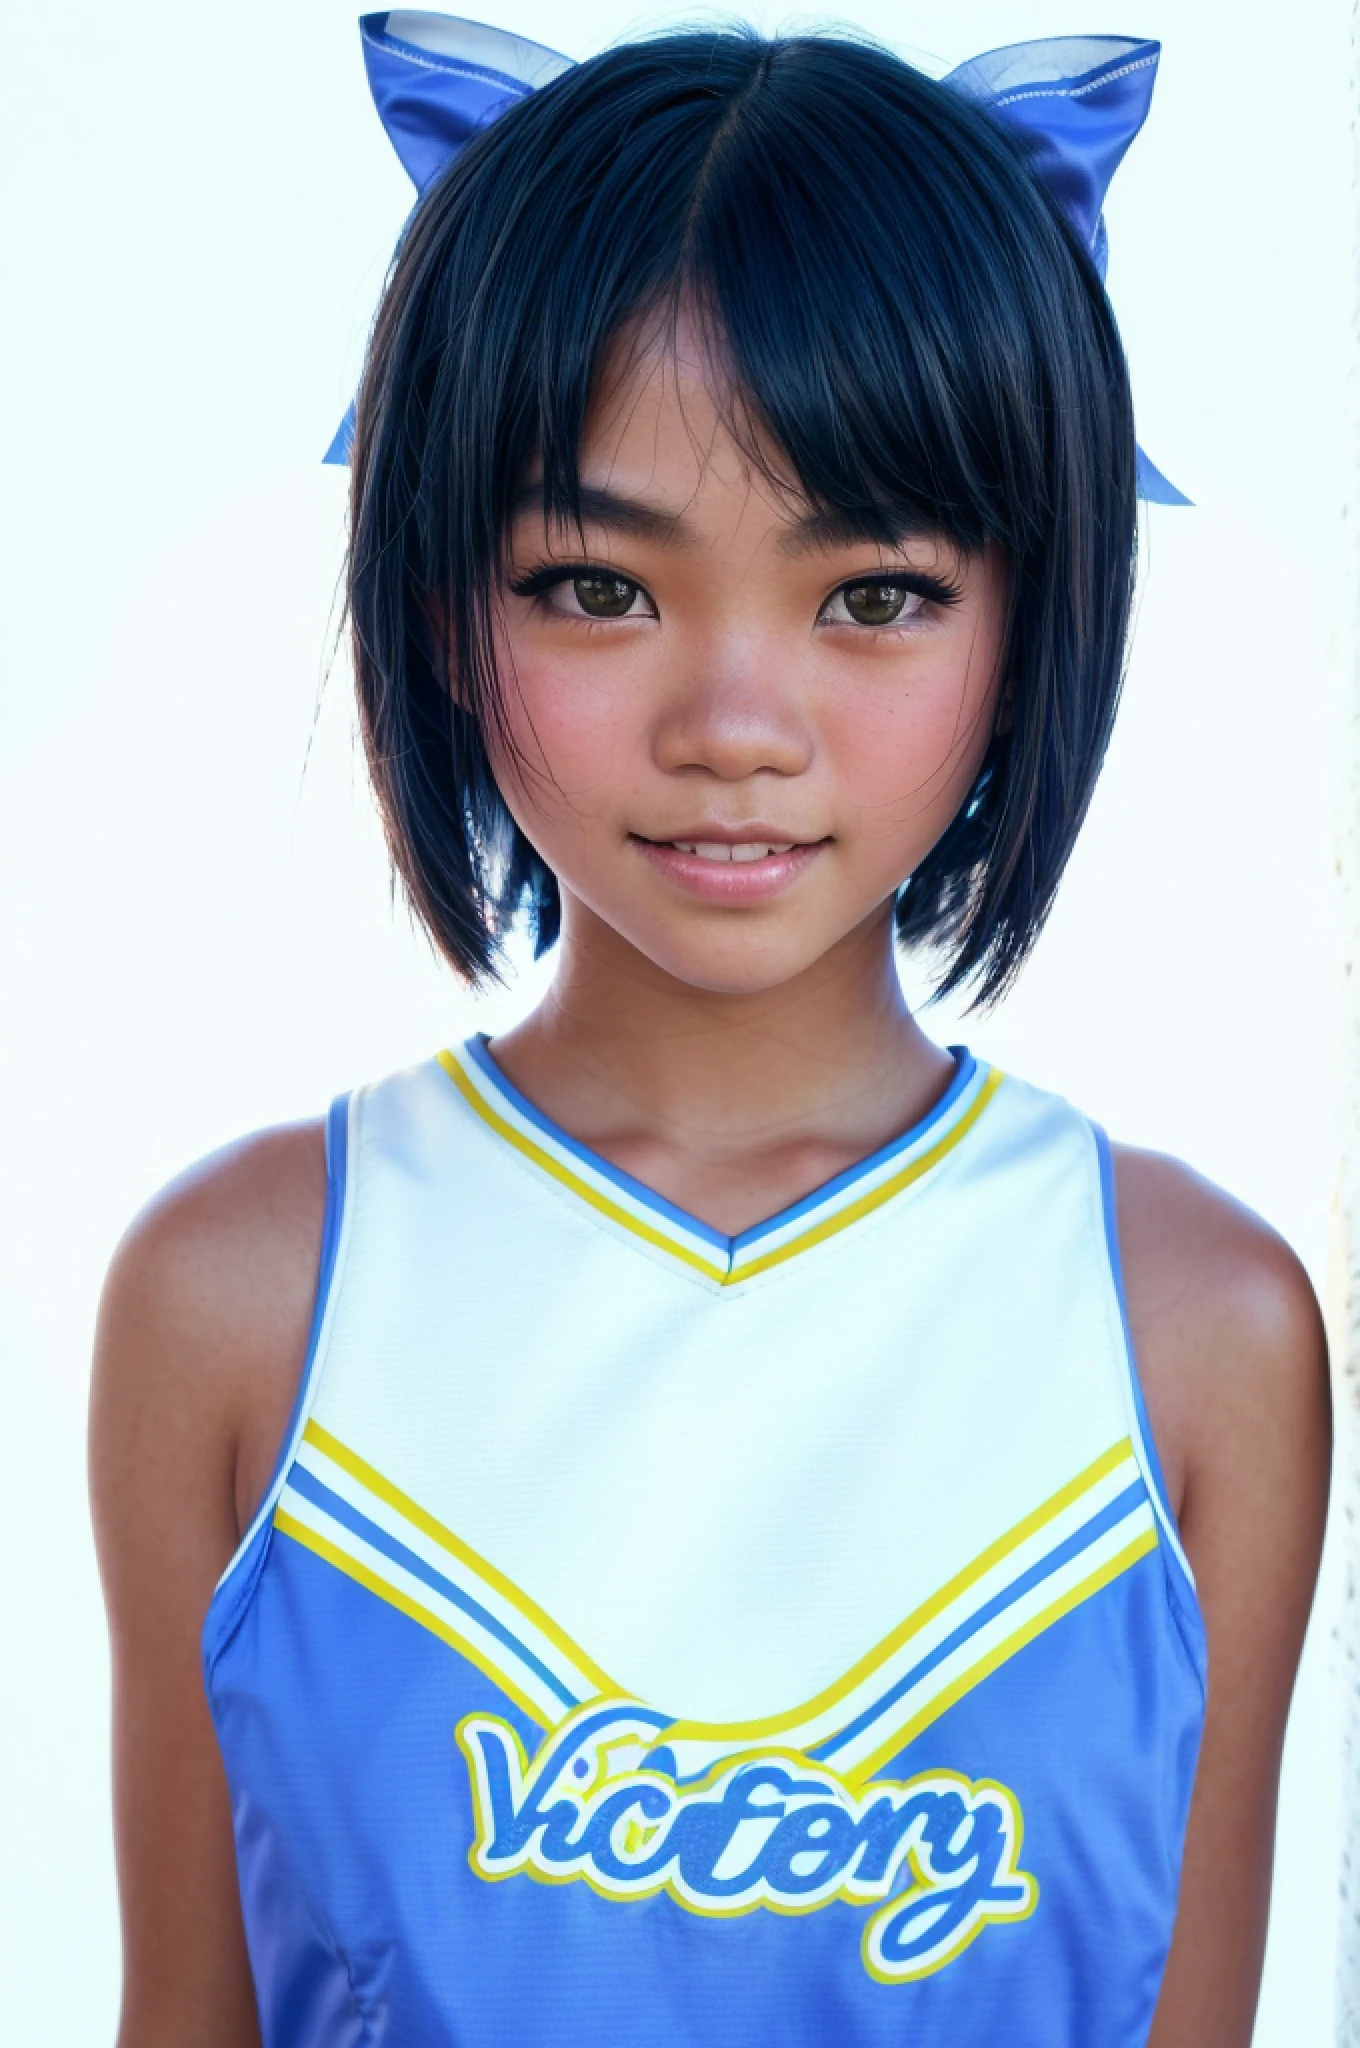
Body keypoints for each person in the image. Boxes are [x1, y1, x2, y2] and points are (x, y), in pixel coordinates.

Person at [89, 16, 1330, 2047]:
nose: (734, 721)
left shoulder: (1191, 1332)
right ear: (436, 596)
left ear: (1035, 609)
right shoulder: (240, 1301)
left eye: (872, 595)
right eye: (596, 585)